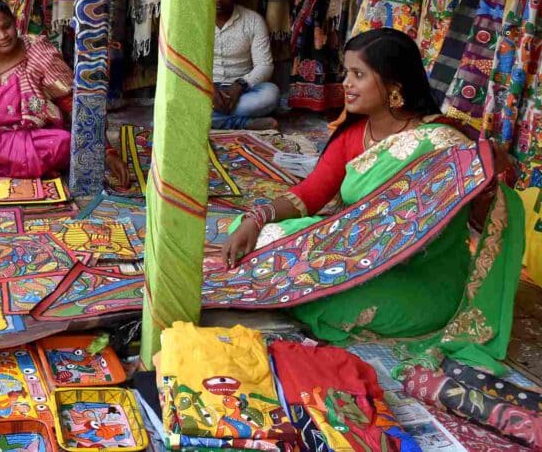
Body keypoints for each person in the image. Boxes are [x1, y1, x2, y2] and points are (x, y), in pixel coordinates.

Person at [221, 28, 523, 354]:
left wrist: (490, 173)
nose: (346, 83)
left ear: (394, 85)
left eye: (358, 75)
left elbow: (483, 213)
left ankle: (300, 294)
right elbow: (308, 195)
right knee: (257, 235)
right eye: (346, 73)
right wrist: (256, 218)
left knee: (328, 302)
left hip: (417, 277)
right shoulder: (354, 135)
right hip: (356, 257)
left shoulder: (441, 142)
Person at [0, 0, 129, 183]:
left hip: (33, 138)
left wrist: (106, 150)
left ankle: (8, 167)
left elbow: (71, 103)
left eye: (7, 27)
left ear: (15, 22)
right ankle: (27, 168)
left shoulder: (38, 51)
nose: (3, 36)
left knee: (64, 143)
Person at [212, 0, 278, 130]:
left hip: (243, 92)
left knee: (271, 94)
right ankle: (243, 123)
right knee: (179, 96)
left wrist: (241, 85)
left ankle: (210, 118)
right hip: (205, 90)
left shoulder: (253, 21)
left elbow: (264, 66)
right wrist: (208, 89)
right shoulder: (196, 21)